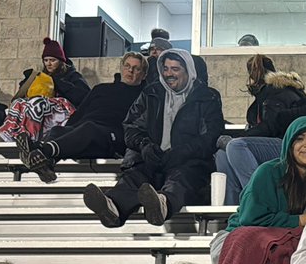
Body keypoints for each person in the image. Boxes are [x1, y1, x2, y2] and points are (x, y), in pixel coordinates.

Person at [83, 48, 223, 228]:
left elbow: (211, 135)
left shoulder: (207, 97)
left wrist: (181, 152)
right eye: (165, 69)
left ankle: (161, 206)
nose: (169, 74)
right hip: (152, 159)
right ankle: (112, 208)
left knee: (181, 179)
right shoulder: (151, 93)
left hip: (188, 162)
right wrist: (144, 145)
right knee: (134, 177)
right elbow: (131, 126)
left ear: (189, 71)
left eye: (175, 69)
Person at [209, 115, 306, 264]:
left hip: (279, 240)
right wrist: (300, 219)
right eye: (299, 139)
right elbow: (250, 219)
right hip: (240, 241)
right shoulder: (268, 172)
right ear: (289, 144)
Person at [15, 52, 148, 183]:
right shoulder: (100, 89)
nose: (130, 70)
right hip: (84, 132)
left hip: (112, 136)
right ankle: (46, 165)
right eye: (127, 66)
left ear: (143, 74)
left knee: (89, 128)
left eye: (136, 68)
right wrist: (66, 130)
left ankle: (41, 151)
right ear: (121, 67)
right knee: (57, 130)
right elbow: (78, 114)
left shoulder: (144, 97)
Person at [215, 55, 306, 204]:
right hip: (275, 145)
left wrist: (235, 138)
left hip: (288, 146)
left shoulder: (276, 91)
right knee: (222, 154)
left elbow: (270, 127)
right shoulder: (269, 93)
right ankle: (233, 207)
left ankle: (259, 201)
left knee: (236, 146)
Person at [0, 37, 90, 144]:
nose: (49, 64)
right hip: (42, 109)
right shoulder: (40, 76)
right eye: (46, 60)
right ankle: (6, 134)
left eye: (53, 60)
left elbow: (84, 96)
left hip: (64, 110)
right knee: (18, 103)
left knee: (38, 103)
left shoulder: (73, 76)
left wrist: (58, 82)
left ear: (61, 61)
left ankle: (30, 139)